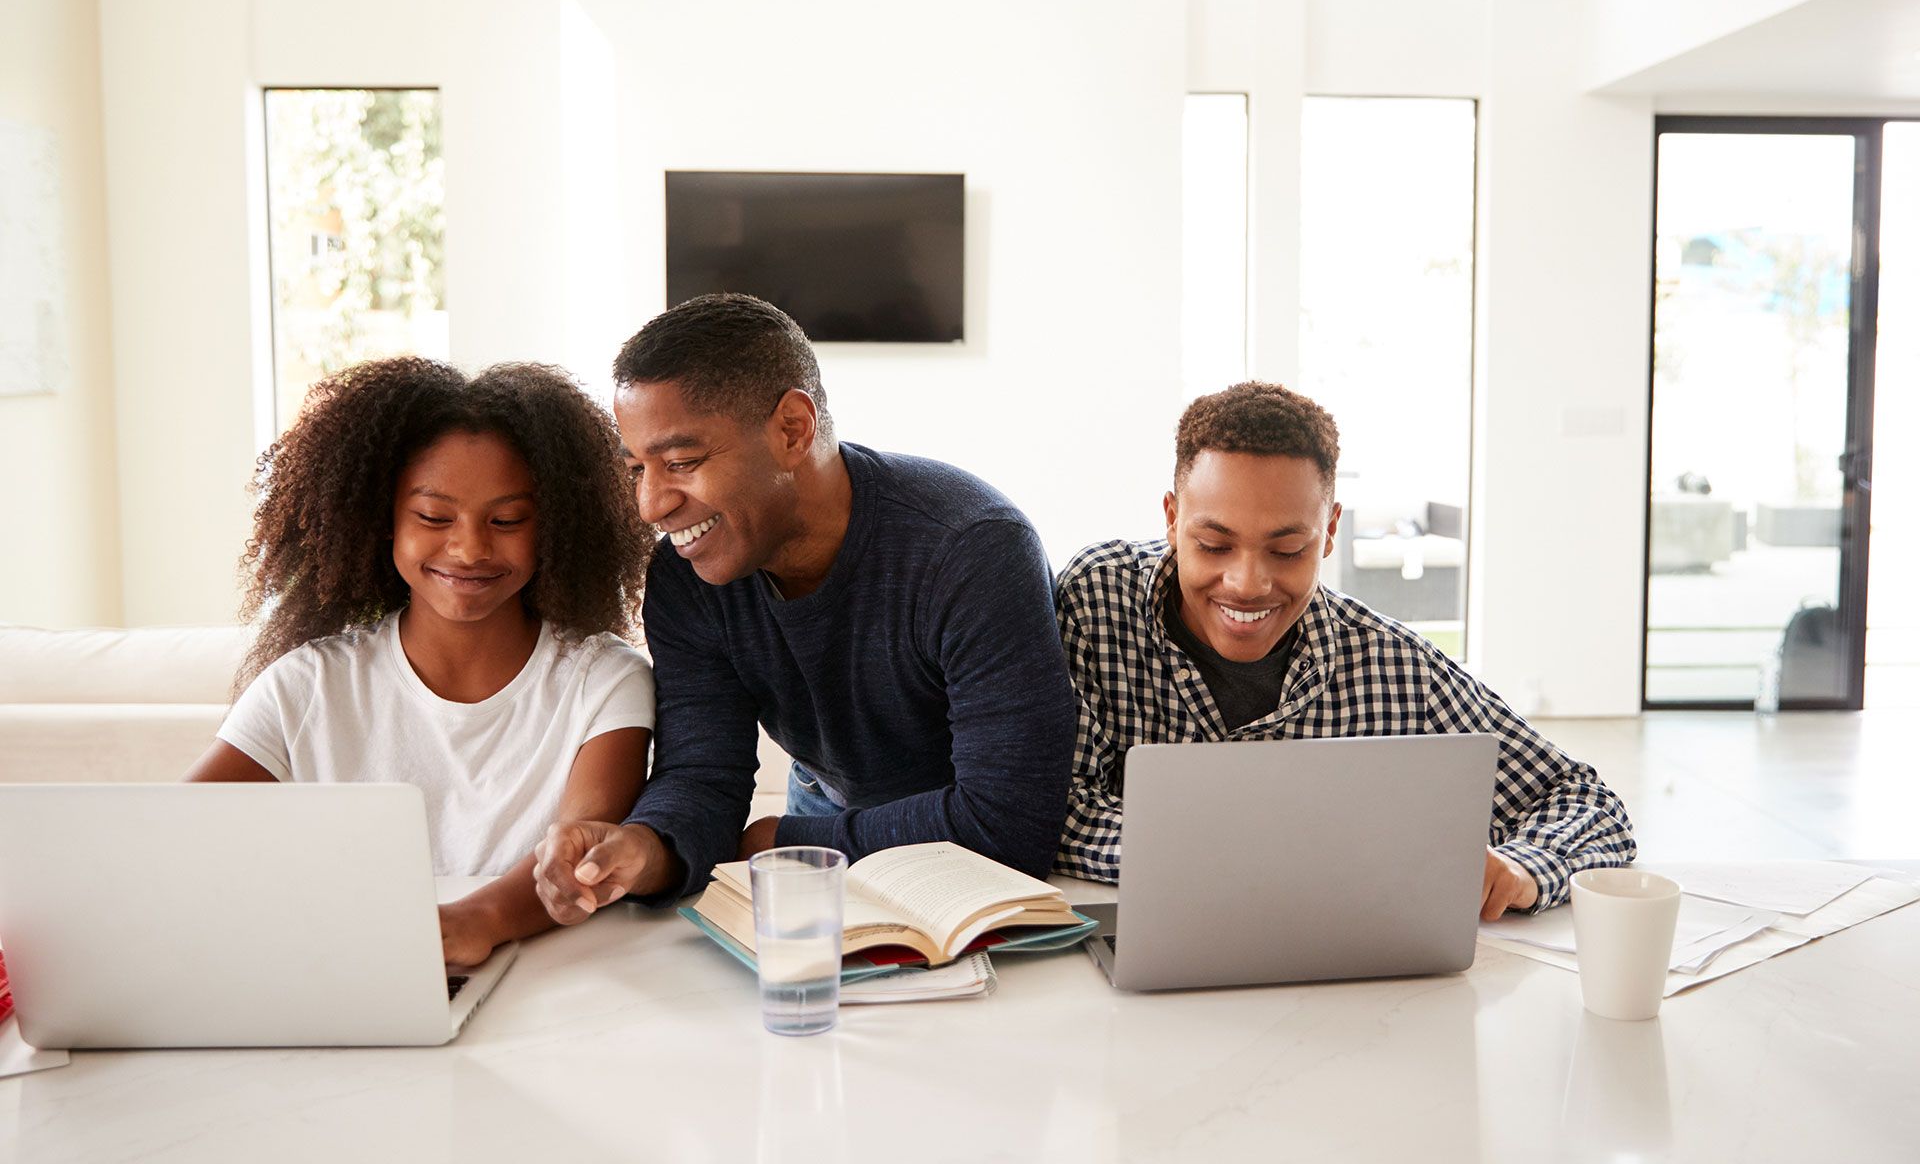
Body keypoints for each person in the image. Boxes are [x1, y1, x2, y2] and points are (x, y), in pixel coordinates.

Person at [532, 294, 1075, 922]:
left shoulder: (969, 548)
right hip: (827, 832)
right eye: (636, 469)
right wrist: (645, 846)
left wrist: (783, 842)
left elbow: (1008, 821)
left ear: (792, 429)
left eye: (681, 462)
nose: (651, 505)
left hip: (959, 870)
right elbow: (703, 775)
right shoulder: (688, 579)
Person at [1052, 381, 1635, 918]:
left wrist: (1520, 868)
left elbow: (1586, 802)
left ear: (1329, 531)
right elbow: (1054, 808)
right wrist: (1272, 854)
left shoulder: (1391, 665)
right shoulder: (1096, 602)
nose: (1248, 583)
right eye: (1213, 544)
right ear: (1173, 520)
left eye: (1286, 551)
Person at [185, 357, 657, 965]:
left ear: (556, 527)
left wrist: (476, 921)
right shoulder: (308, 687)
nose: (469, 548)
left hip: (554, 981)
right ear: (382, 520)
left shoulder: (604, 680)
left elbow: (578, 854)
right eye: (434, 517)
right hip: (354, 970)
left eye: (508, 520)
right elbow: (175, 840)